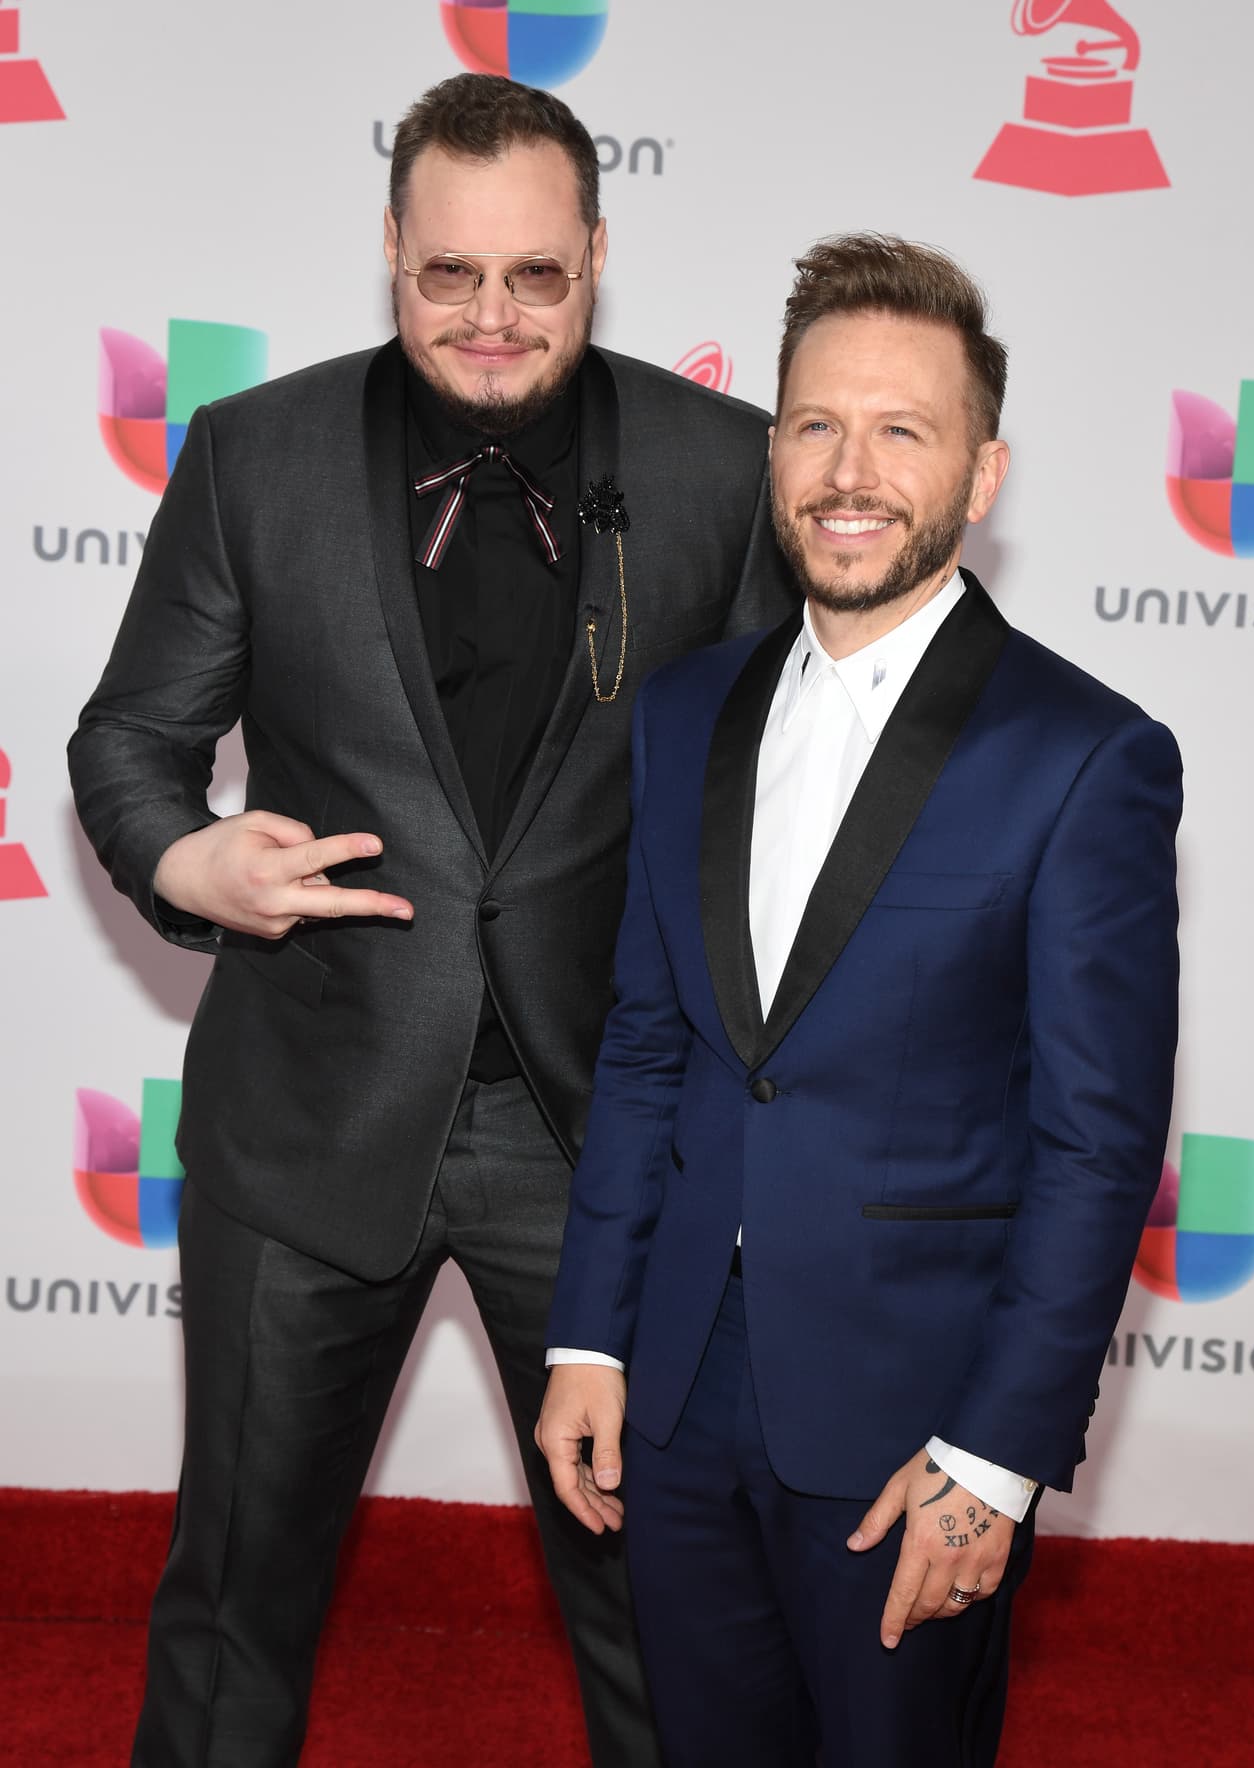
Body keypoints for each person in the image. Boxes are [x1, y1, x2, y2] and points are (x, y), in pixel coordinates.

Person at [68, 72, 792, 1768]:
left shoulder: (719, 472)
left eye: (534, 276)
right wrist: (191, 865)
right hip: (309, 1120)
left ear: (599, 257)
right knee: (237, 1592)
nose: (489, 317)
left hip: (608, 1141)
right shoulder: (257, 456)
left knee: (657, 1612)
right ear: (388, 247)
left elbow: (797, 785)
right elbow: (130, 741)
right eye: (447, 273)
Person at [536, 233, 1181, 1767]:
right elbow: (648, 1048)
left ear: (984, 473)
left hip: (918, 1428)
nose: (851, 469)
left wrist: (999, 1458)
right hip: (676, 1397)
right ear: (775, 451)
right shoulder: (688, 709)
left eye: (905, 430)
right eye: (818, 424)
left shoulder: (1084, 755)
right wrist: (590, 1343)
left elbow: (1098, 1148)